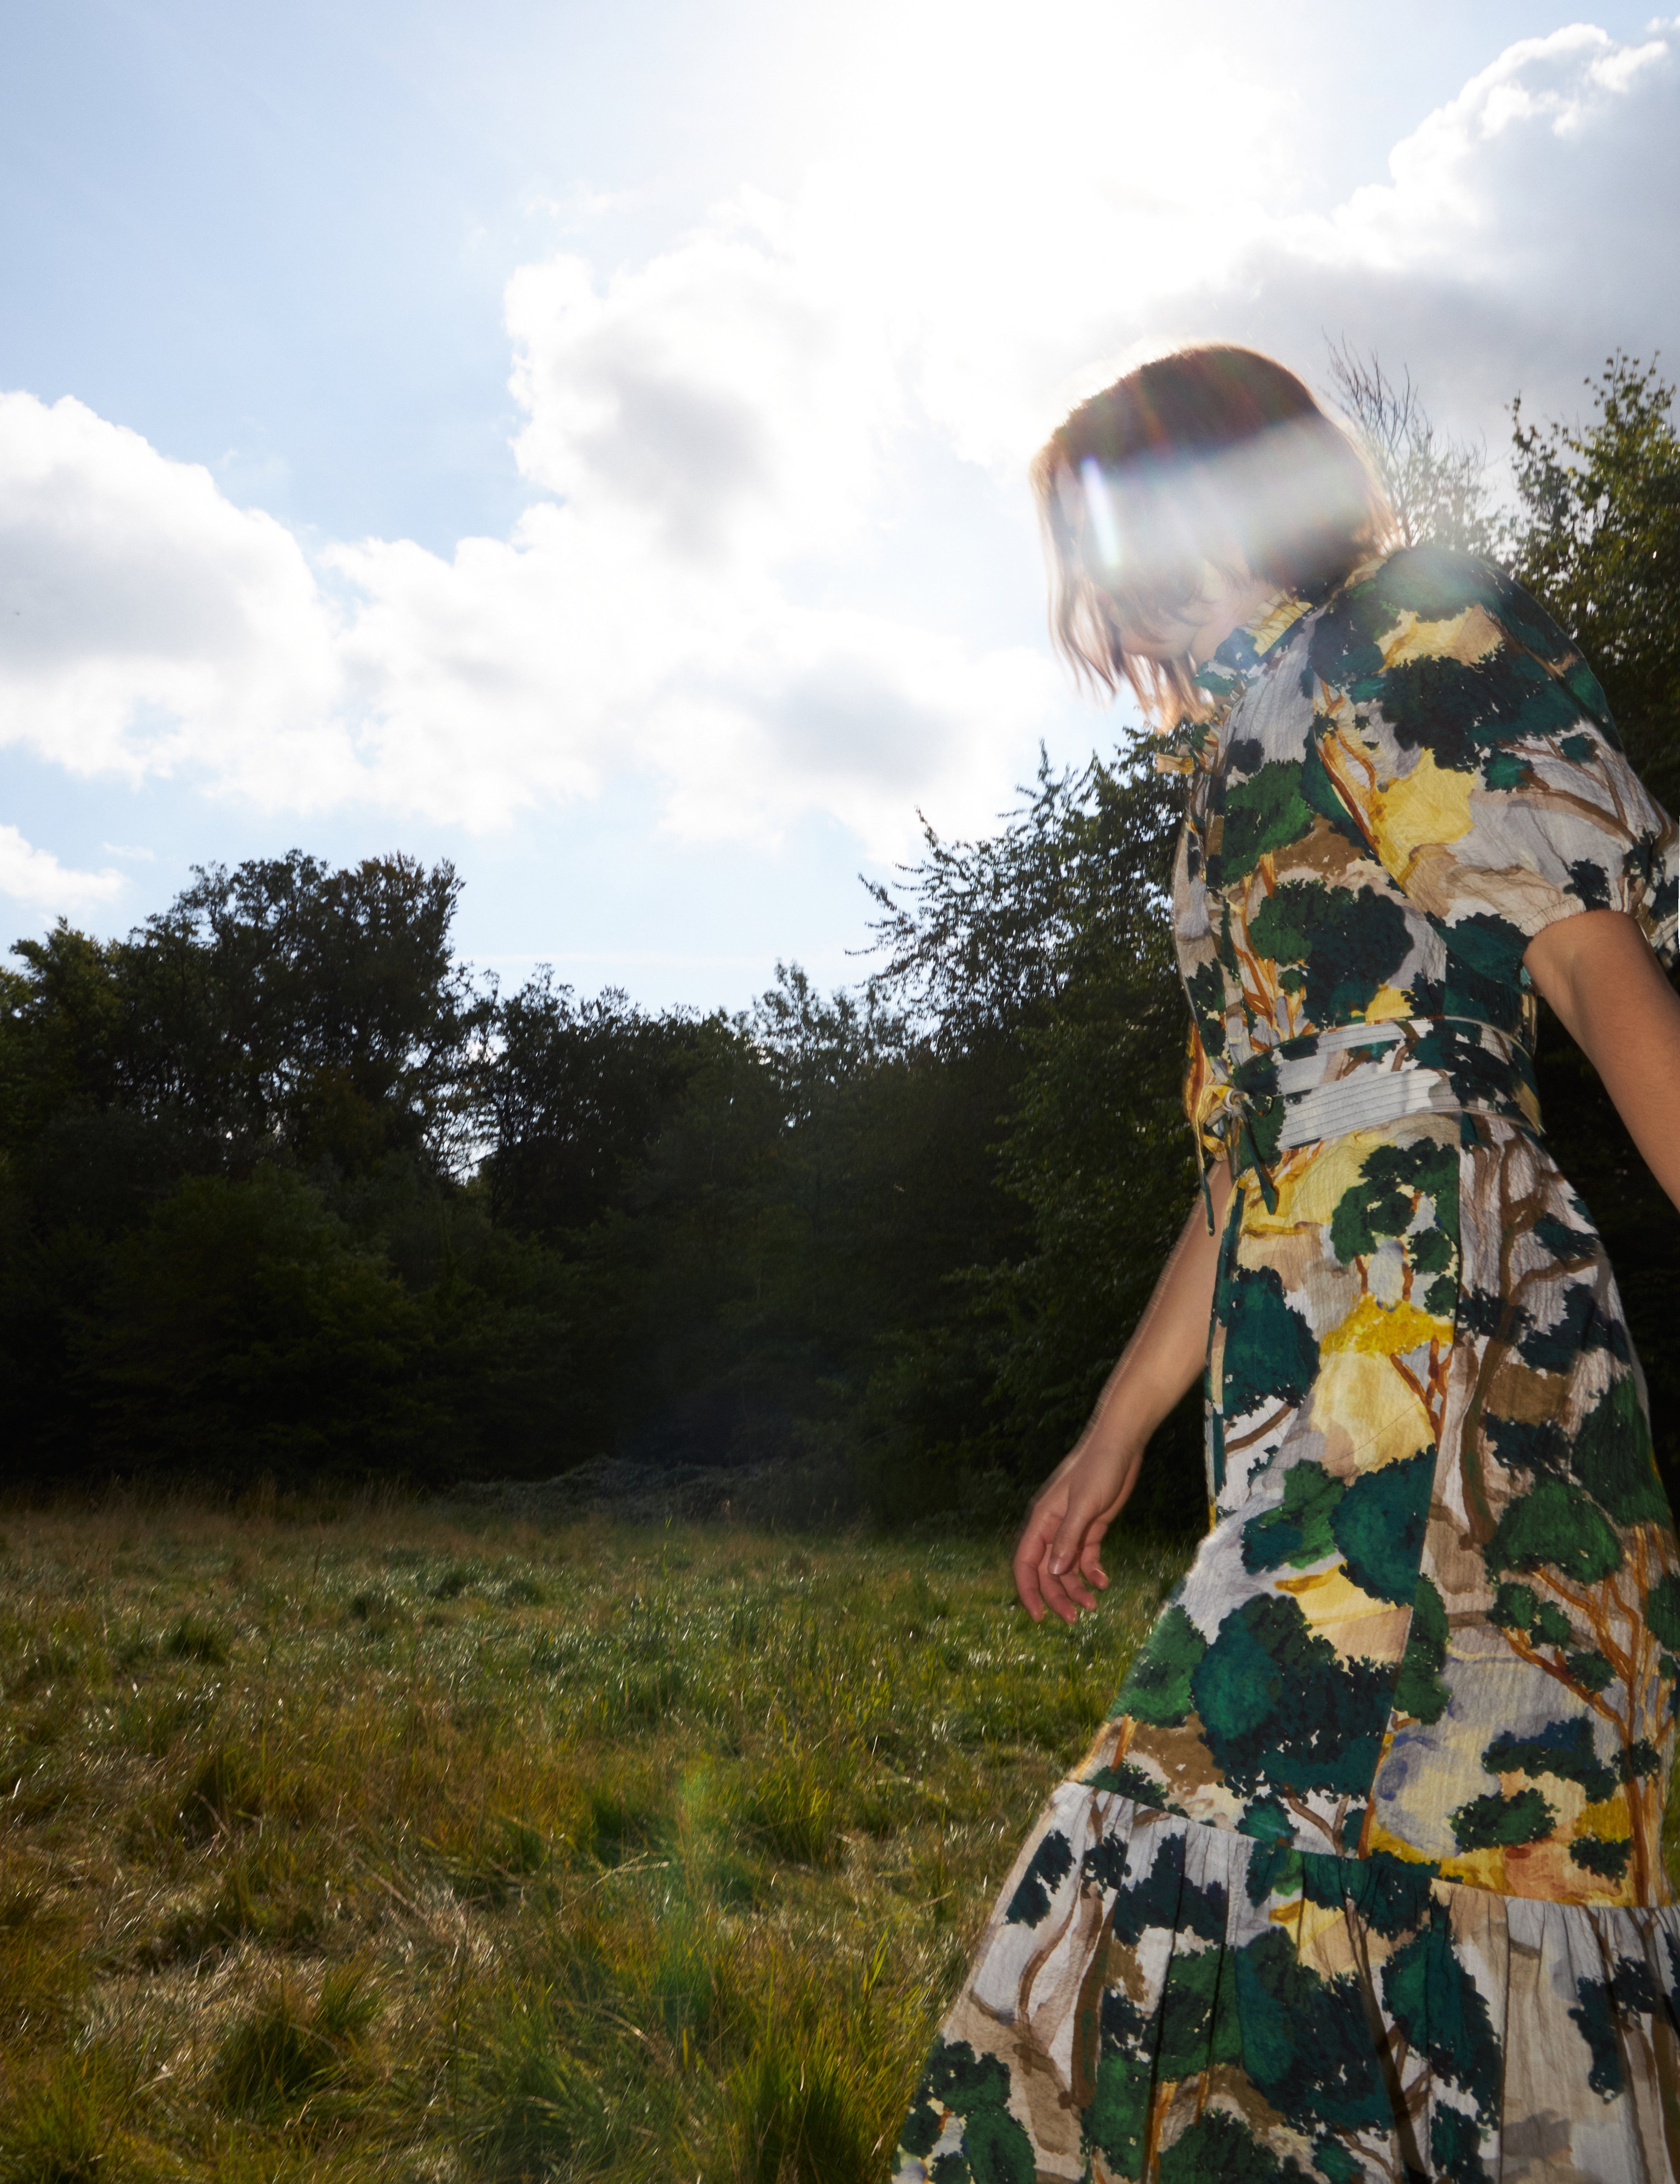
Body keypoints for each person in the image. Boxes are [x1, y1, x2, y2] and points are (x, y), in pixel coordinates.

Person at [892, 344, 1680, 2183]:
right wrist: (1107, 1431)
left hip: (1468, 1371)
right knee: (1298, 1829)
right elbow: (1249, 1143)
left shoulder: (1416, 634)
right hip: (1299, 1379)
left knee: (1396, 1820)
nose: (1124, 583)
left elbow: (1595, 981)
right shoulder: (1219, 765)